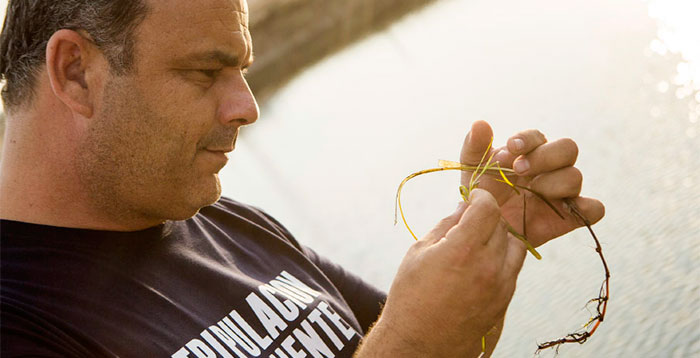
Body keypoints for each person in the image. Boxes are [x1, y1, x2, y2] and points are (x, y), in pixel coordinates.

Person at [0, 0, 605, 357]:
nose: (246, 106)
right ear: (76, 72)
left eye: (240, 70)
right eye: (205, 72)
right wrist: (413, 348)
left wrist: (480, 255)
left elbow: (429, 343)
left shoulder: (223, 220)